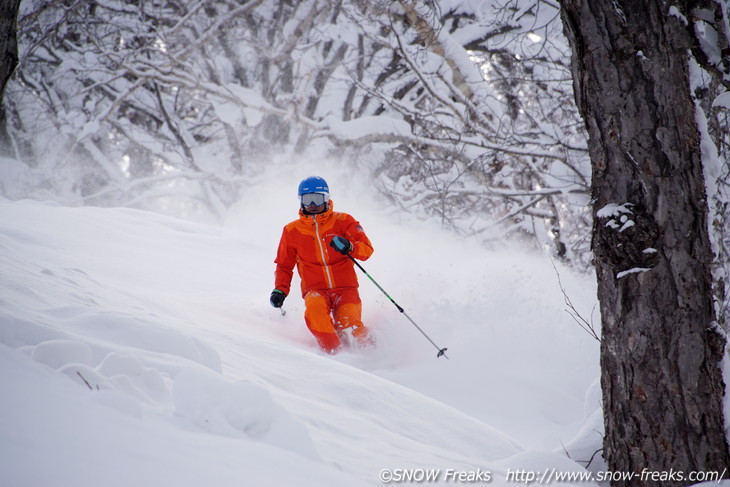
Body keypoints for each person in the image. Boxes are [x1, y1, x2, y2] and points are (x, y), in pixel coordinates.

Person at [270, 176, 375, 354]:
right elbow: (284, 265)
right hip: (315, 290)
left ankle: (374, 356)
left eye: (317, 199)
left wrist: (350, 246)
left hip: (345, 288)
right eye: (306, 199)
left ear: (326, 198)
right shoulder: (291, 231)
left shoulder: (344, 221)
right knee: (316, 315)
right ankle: (336, 357)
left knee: (349, 324)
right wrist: (280, 290)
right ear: (300, 201)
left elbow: (367, 250)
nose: (312, 204)